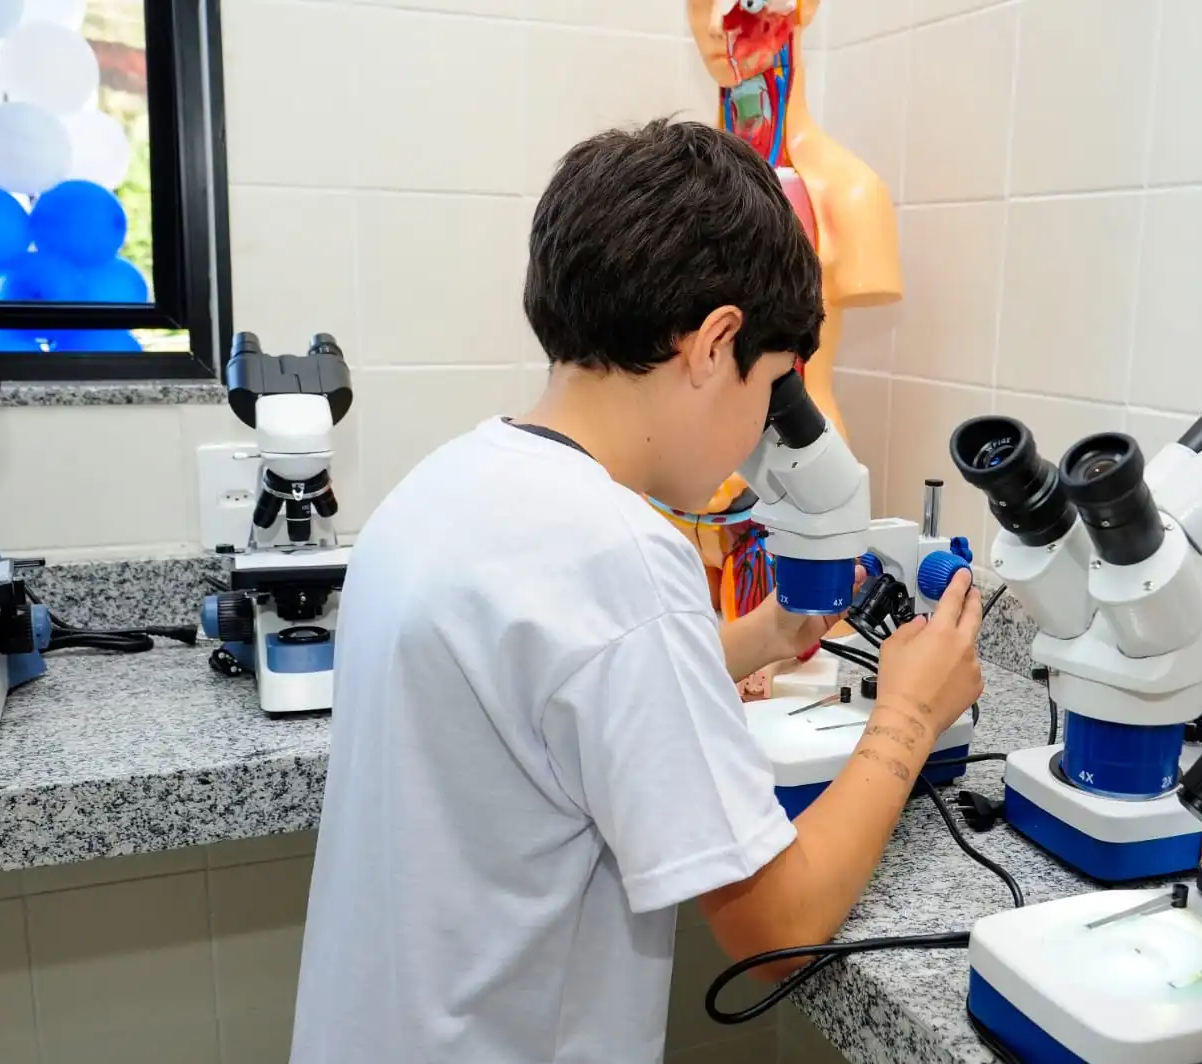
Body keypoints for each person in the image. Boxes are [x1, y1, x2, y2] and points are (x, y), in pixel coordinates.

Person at [288, 118, 984, 1064]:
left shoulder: (446, 485)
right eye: (773, 387)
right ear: (716, 342)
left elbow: (550, 697)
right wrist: (910, 716)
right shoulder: (618, 554)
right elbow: (777, 928)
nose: (763, 431)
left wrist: (765, 634)